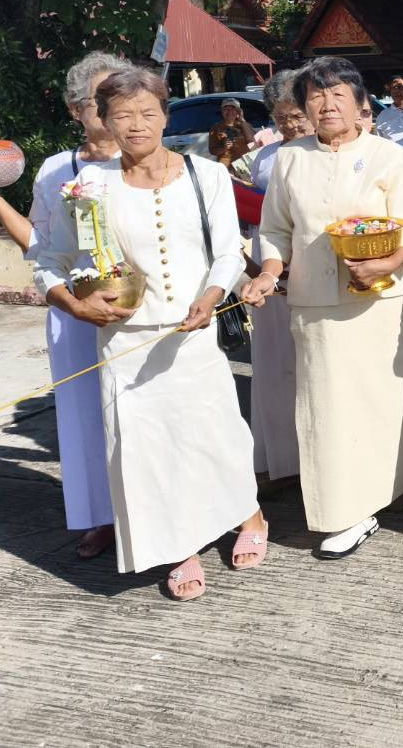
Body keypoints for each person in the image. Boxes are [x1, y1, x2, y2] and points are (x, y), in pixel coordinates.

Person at [34, 68, 267, 600]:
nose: (136, 126)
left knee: (217, 434)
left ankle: (247, 513)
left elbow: (230, 252)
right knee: (147, 450)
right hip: (124, 342)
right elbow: (51, 261)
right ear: (103, 122)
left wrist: (211, 297)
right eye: (121, 116)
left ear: (166, 115)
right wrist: (72, 303)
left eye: (147, 113)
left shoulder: (206, 175)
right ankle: (178, 545)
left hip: (192, 335)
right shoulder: (89, 188)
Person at [243, 56, 403, 560]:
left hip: (381, 299)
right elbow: (275, 229)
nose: (326, 105)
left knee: (392, 397)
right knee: (327, 410)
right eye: (315, 96)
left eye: (337, 95)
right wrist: (268, 272)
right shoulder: (290, 158)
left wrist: (388, 263)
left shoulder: (388, 157)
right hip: (313, 301)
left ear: (360, 105)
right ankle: (348, 510)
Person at [0, 52, 131, 559]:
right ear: (76, 109)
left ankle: (152, 517)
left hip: (139, 307)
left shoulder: (145, 161)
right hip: (74, 310)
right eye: (102, 99)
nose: (116, 108)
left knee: (143, 410)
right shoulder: (56, 170)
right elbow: (42, 245)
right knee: (82, 417)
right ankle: (100, 517)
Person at [245, 70, 313, 482]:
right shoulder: (265, 158)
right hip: (265, 263)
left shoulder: (320, 153)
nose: (289, 125)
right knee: (273, 361)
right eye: (280, 117)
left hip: (307, 262)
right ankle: (278, 457)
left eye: (295, 115)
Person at [208, 98, 256, 170]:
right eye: (226, 109)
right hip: (226, 168)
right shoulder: (215, 128)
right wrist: (224, 148)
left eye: (233, 109)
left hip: (245, 166)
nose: (229, 112)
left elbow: (252, 141)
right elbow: (212, 151)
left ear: (239, 111)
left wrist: (242, 120)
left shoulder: (245, 125)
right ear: (222, 111)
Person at [374, 74, 403, 141]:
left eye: (400, 87)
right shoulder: (383, 116)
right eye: (393, 88)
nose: (396, 91)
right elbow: (378, 141)